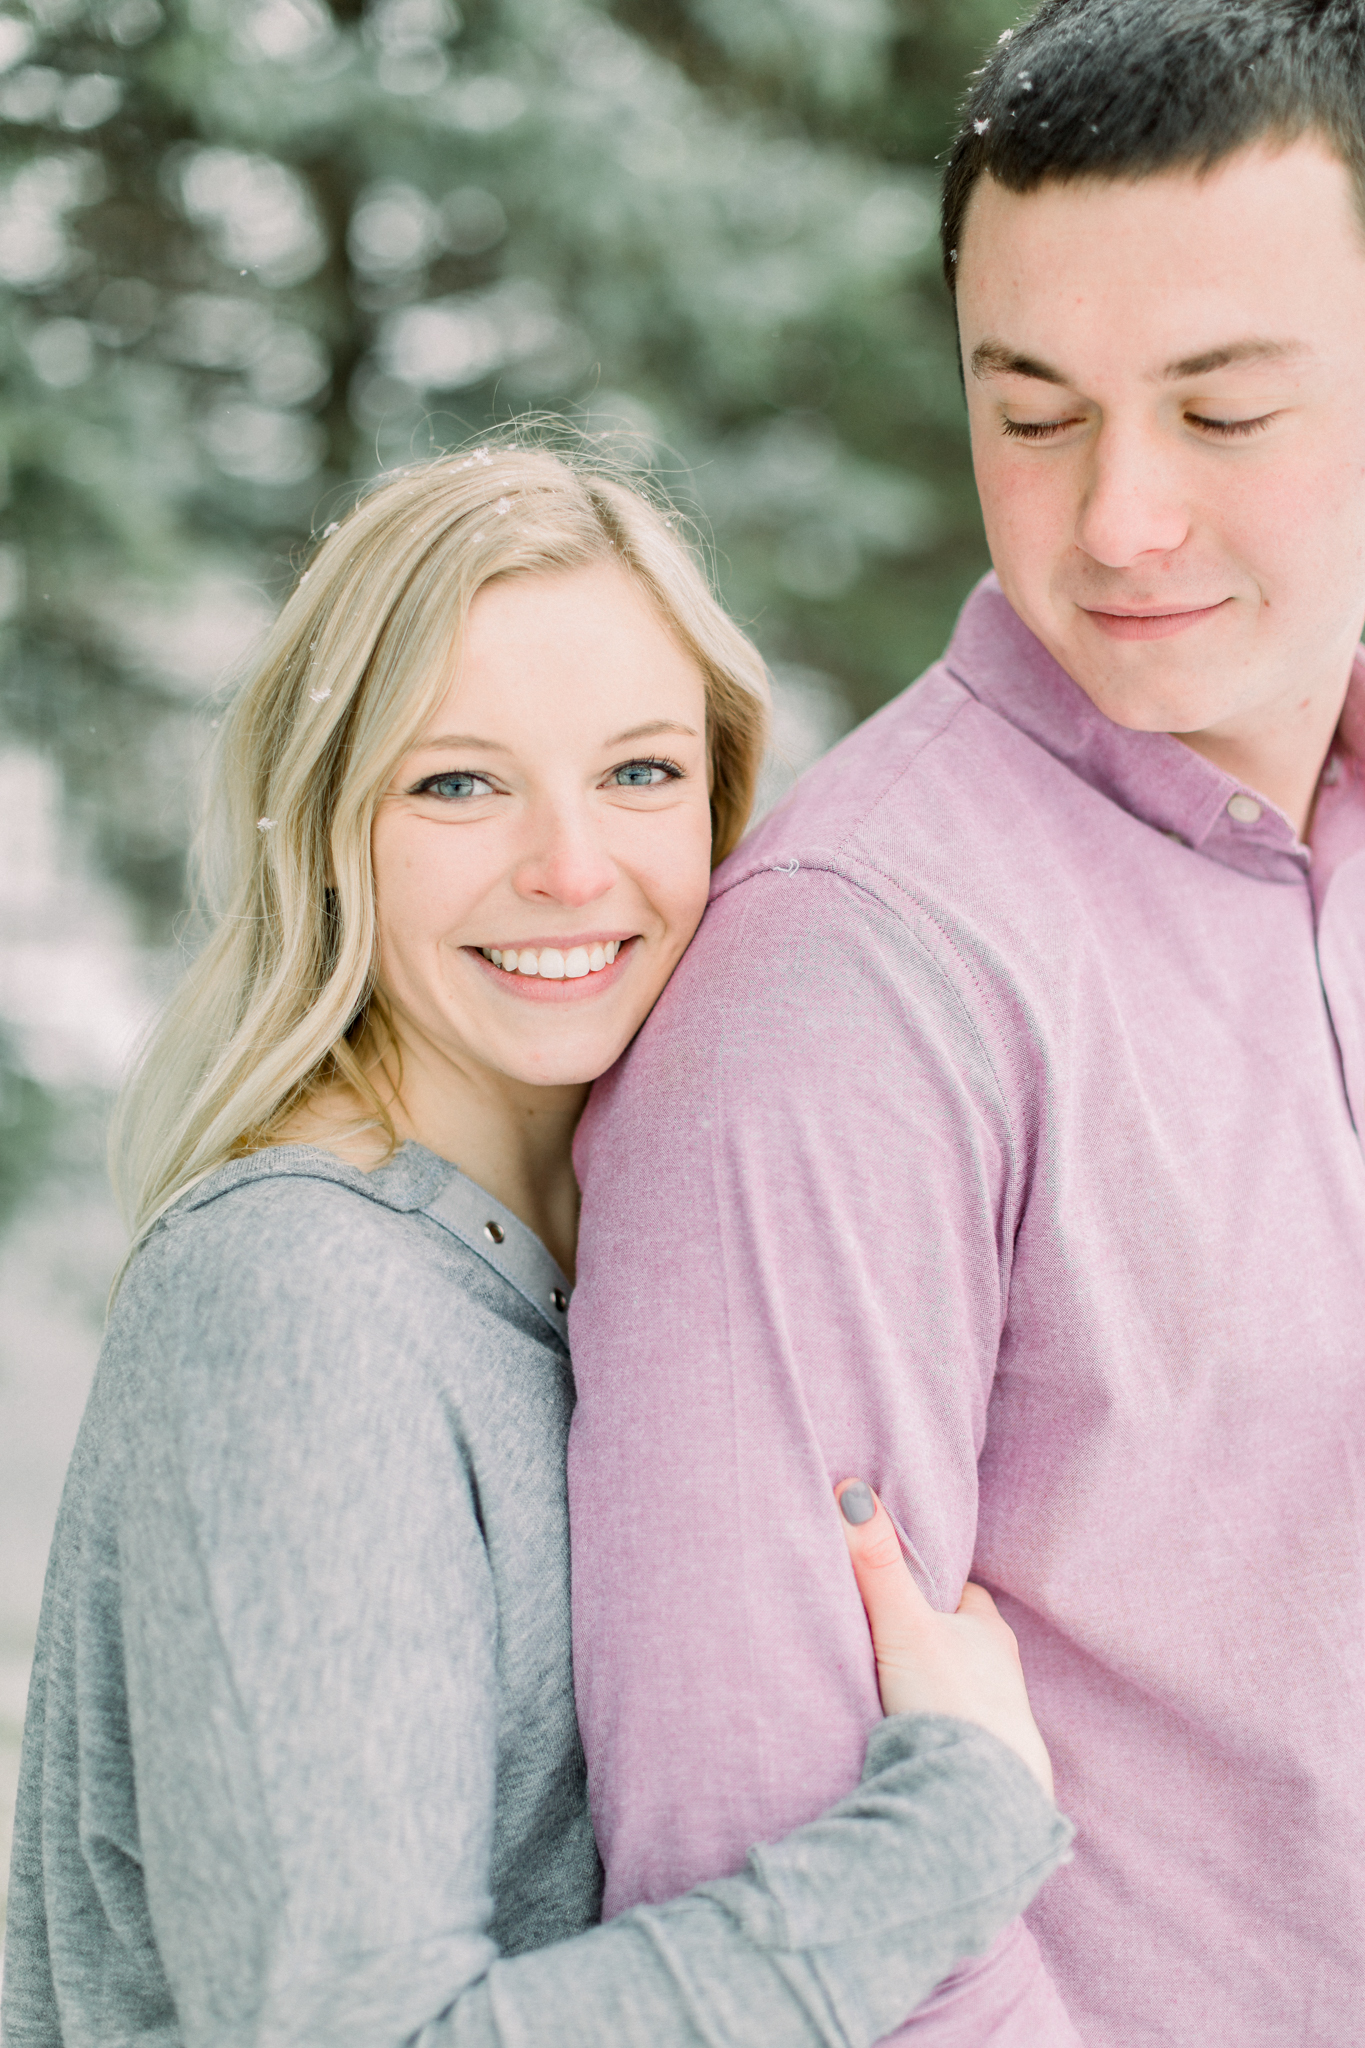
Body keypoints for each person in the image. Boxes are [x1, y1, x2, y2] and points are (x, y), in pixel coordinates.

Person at [0, 444, 1072, 2048]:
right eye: (457, 783)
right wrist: (952, 1834)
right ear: (327, 823)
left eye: (638, 774)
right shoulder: (306, 1302)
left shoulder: (617, 1261)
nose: (572, 867)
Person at [565, 5, 1365, 2044]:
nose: (1114, 520)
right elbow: (762, 1876)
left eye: (1218, 410)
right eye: (1031, 409)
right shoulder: (842, 981)